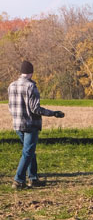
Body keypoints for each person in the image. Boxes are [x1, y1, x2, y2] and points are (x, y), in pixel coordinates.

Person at [7, 60, 64, 189]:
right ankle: (18, 180)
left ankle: (33, 178)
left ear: (21, 72)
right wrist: (53, 113)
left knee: (29, 151)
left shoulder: (11, 85)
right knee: (28, 152)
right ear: (31, 72)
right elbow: (35, 109)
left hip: (17, 124)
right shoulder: (31, 87)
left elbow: (10, 106)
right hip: (30, 124)